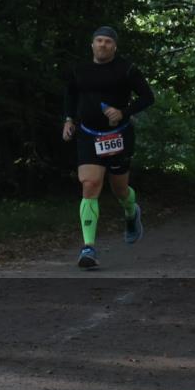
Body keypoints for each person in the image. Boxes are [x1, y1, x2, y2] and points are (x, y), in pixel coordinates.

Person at [63, 26, 154, 269]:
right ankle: (88, 248)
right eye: (99, 41)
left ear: (115, 47)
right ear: (92, 45)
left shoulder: (127, 69)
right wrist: (69, 119)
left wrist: (123, 112)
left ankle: (131, 212)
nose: (103, 45)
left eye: (108, 42)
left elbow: (148, 97)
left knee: (119, 189)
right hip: (88, 135)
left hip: (118, 135)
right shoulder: (79, 70)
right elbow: (70, 94)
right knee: (90, 184)